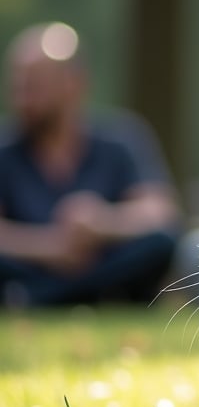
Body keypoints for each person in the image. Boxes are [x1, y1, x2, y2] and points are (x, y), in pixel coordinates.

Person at [0, 22, 180, 307]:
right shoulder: (5, 149)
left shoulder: (121, 139)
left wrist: (103, 223)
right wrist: (49, 246)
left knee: (161, 243)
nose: (22, 99)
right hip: (35, 264)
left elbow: (159, 212)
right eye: (18, 86)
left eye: (33, 86)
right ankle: (90, 295)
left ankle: (43, 297)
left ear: (72, 83)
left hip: (99, 260)